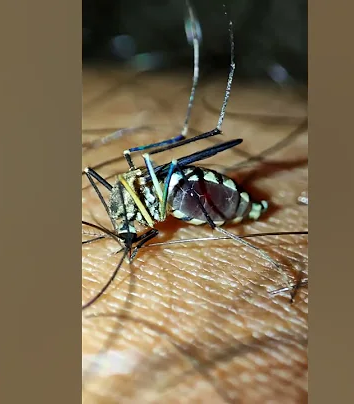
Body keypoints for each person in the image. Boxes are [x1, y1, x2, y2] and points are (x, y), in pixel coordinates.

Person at [82, 68, 308, 403]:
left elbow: (143, 201)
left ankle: (210, 130)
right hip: (178, 191)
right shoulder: (125, 209)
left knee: (146, 166)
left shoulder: (137, 210)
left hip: (194, 191)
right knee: (133, 165)